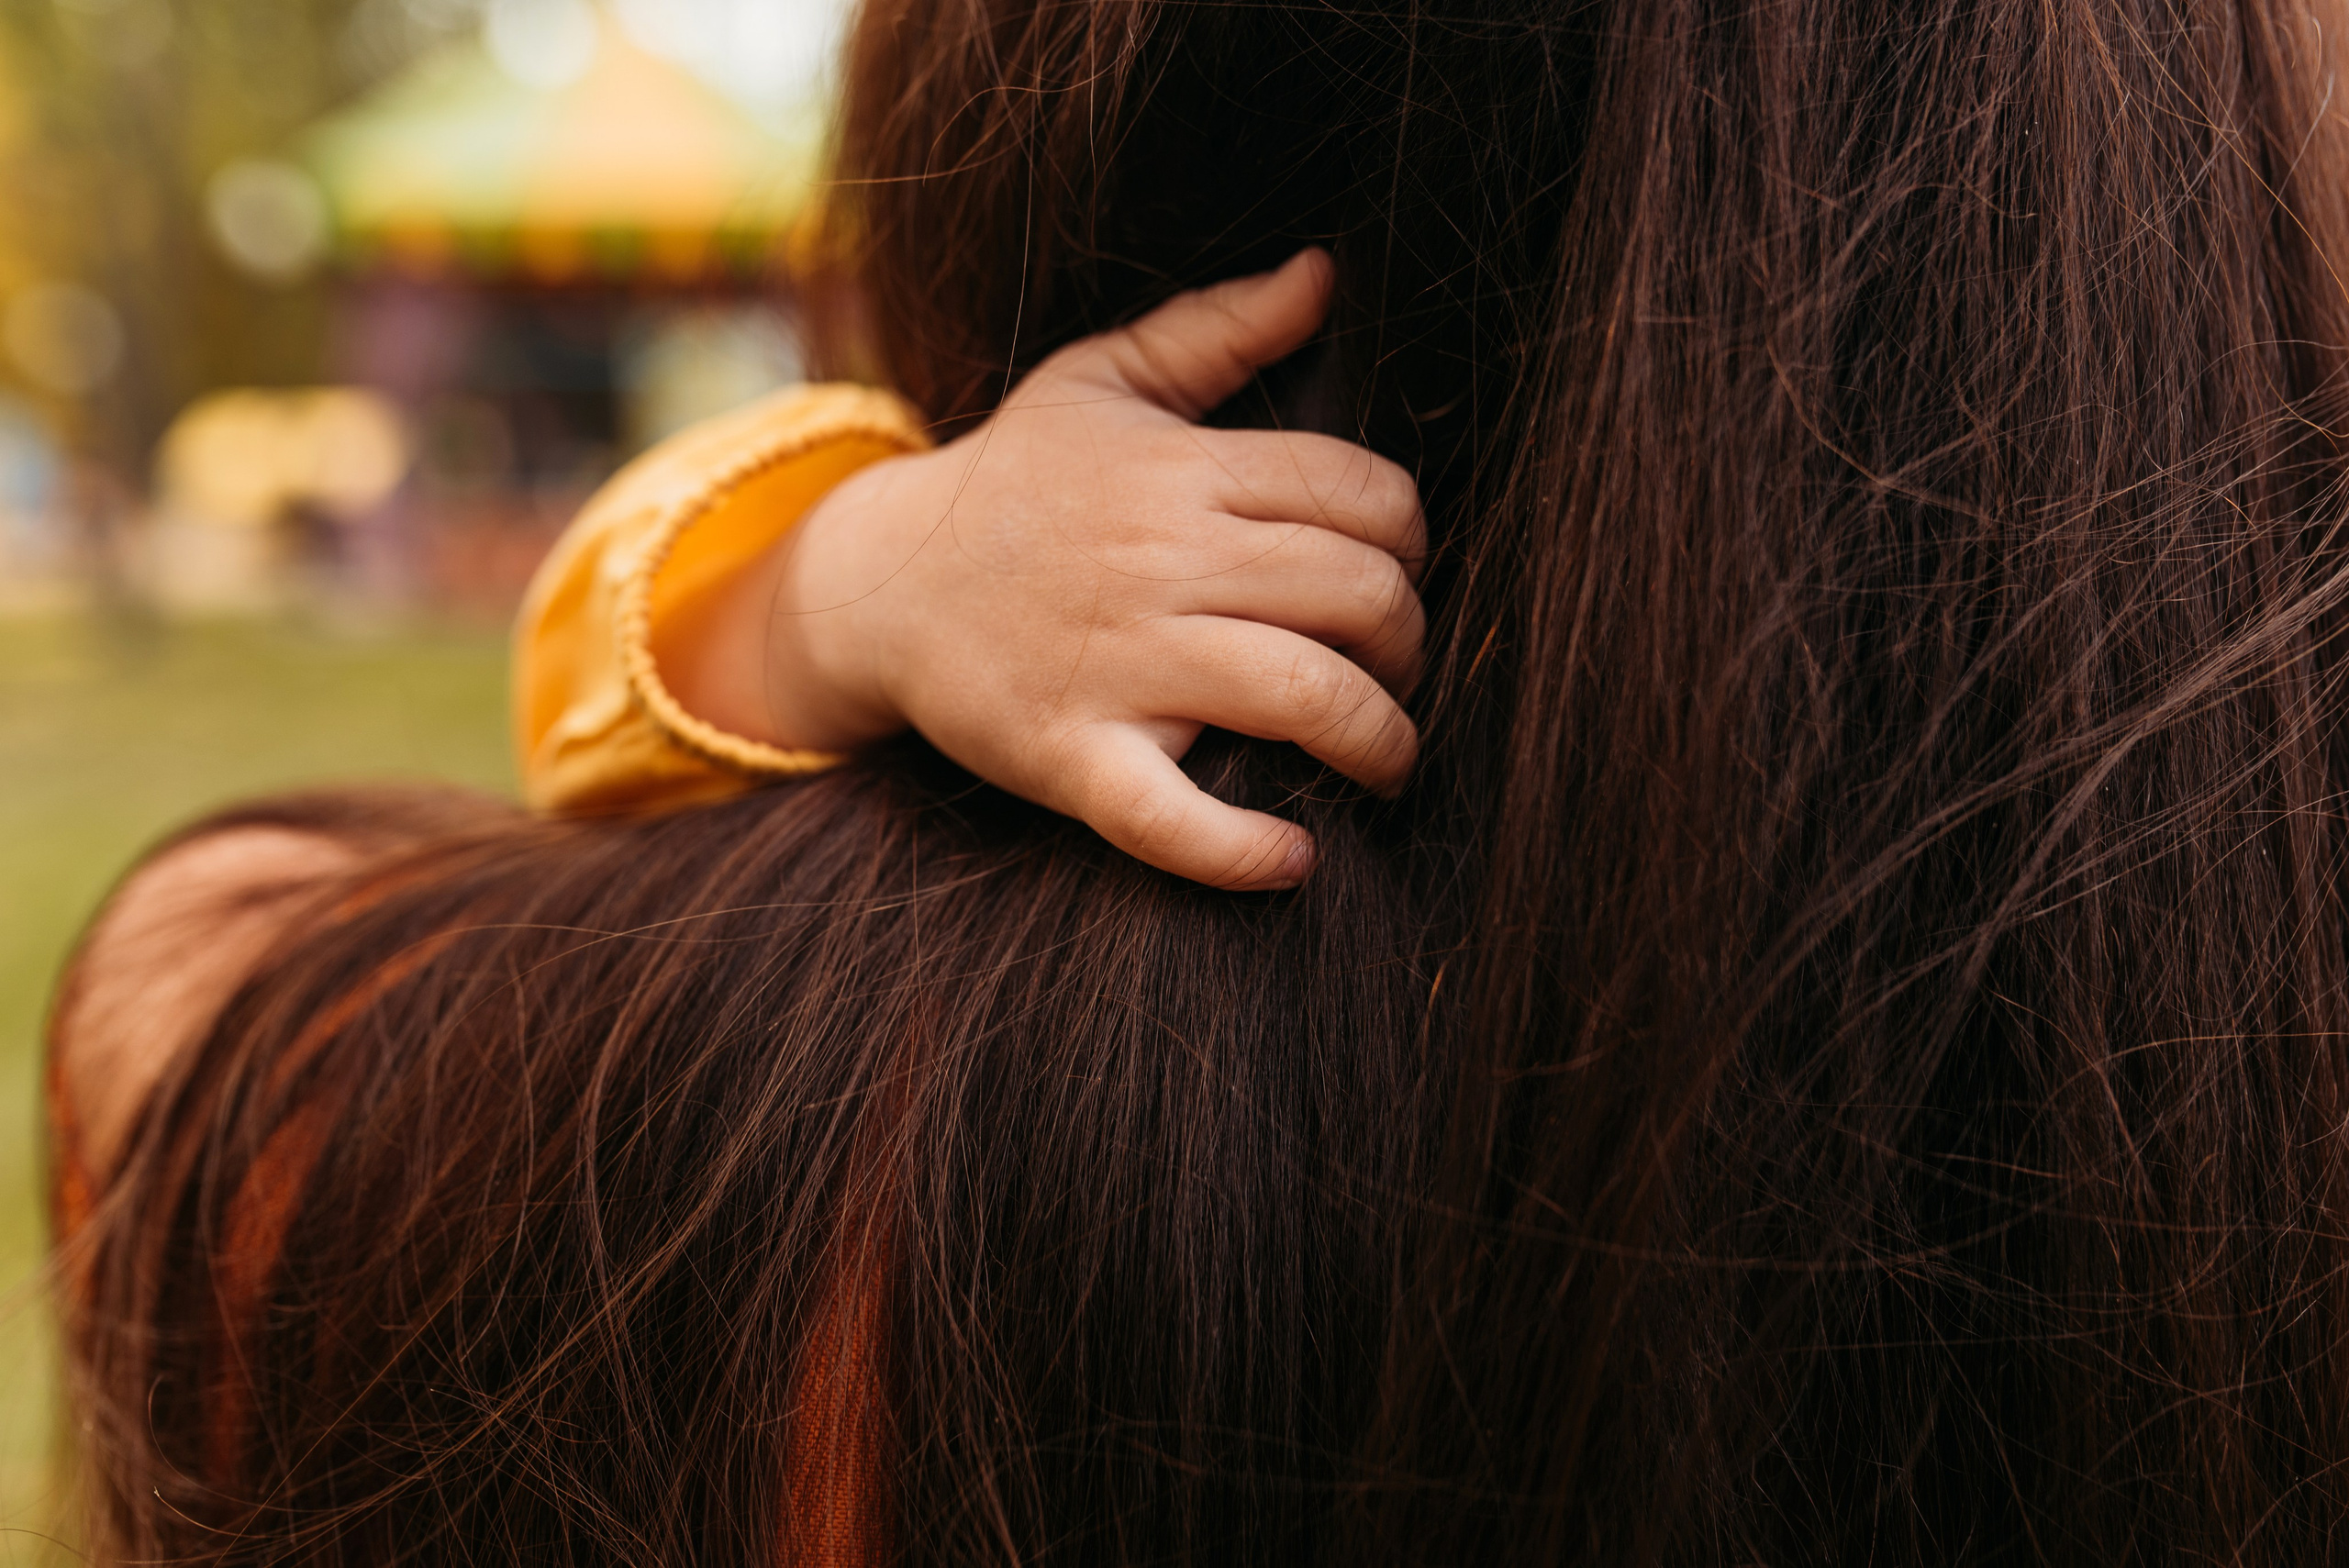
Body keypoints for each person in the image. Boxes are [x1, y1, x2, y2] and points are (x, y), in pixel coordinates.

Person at [47, 0, 2349, 1561]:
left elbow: (276, 893)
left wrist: (850, 576)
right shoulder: (2169, 1077)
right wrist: (875, 576)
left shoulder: (330, 1081)